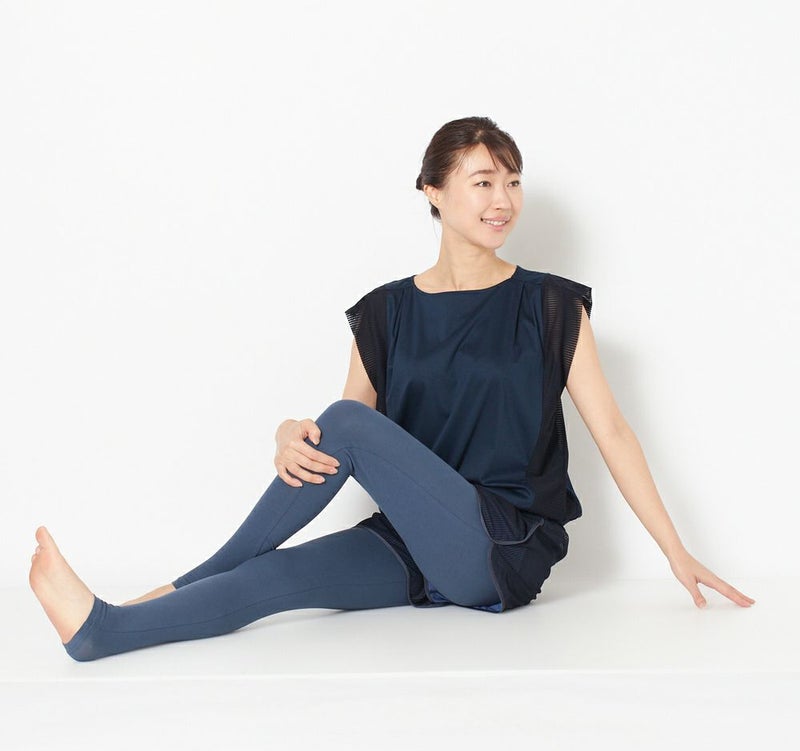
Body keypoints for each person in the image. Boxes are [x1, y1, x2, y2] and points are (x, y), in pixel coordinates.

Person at [29, 116, 755, 661]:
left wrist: (675, 551)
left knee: (343, 423)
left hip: (500, 546)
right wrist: (287, 434)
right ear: (432, 192)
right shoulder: (384, 312)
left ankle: (175, 582)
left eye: (512, 181)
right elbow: (345, 436)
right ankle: (102, 631)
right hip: (409, 539)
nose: (503, 199)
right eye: (482, 182)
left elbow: (614, 432)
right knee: (273, 580)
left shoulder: (550, 305)